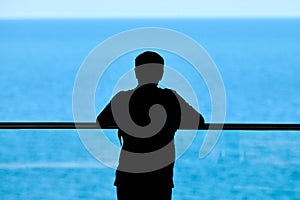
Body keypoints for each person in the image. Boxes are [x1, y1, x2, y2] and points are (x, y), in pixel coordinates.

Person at [97, 51, 205, 200]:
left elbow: (100, 122)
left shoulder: (122, 99)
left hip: (128, 176)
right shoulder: (170, 99)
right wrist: (172, 120)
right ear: (161, 73)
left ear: (136, 73)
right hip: (160, 176)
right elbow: (199, 121)